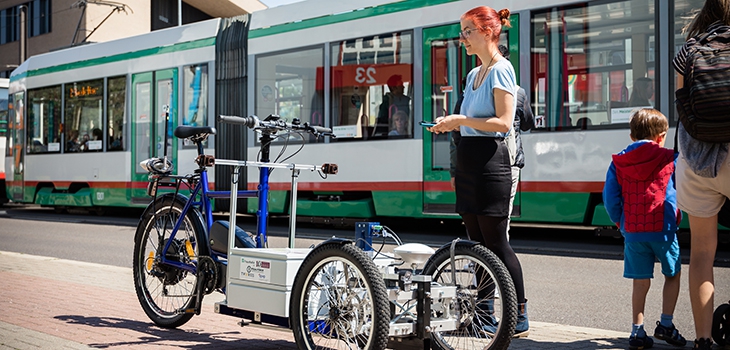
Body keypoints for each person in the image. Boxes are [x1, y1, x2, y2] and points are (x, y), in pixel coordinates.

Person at [428, 6, 529, 337]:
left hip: (491, 161)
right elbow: (469, 122)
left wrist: (459, 121)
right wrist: (450, 124)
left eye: (466, 32)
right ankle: (484, 314)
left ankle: (519, 314)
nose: (462, 39)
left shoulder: (503, 70)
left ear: (488, 31)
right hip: (471, 160)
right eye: (461, 32)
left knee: (496, 243)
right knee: (475, 245)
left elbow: (502, 122)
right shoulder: (474, 75)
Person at [603, 108, 687, 350]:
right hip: (664, 229)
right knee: (672, 274)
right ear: (661, 136)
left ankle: (637, 331)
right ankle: (667, 324)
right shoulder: (670, 158)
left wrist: (622, 222)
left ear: (632, 136)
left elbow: (610, 197)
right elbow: (682, 188)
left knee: (640, 282)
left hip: (634, 231)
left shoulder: (619, 161)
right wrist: (677, 215)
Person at [673, 1, 730, 348]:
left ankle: (704, 339)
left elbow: (683, 107)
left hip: (697, 161)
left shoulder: (688, 53)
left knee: (703, 253)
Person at [497, 44, 535, 223]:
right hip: (511, 159)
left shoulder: (478, 88)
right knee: (505, 213)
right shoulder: (519, 93)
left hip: (488, 158)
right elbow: (528, 123)